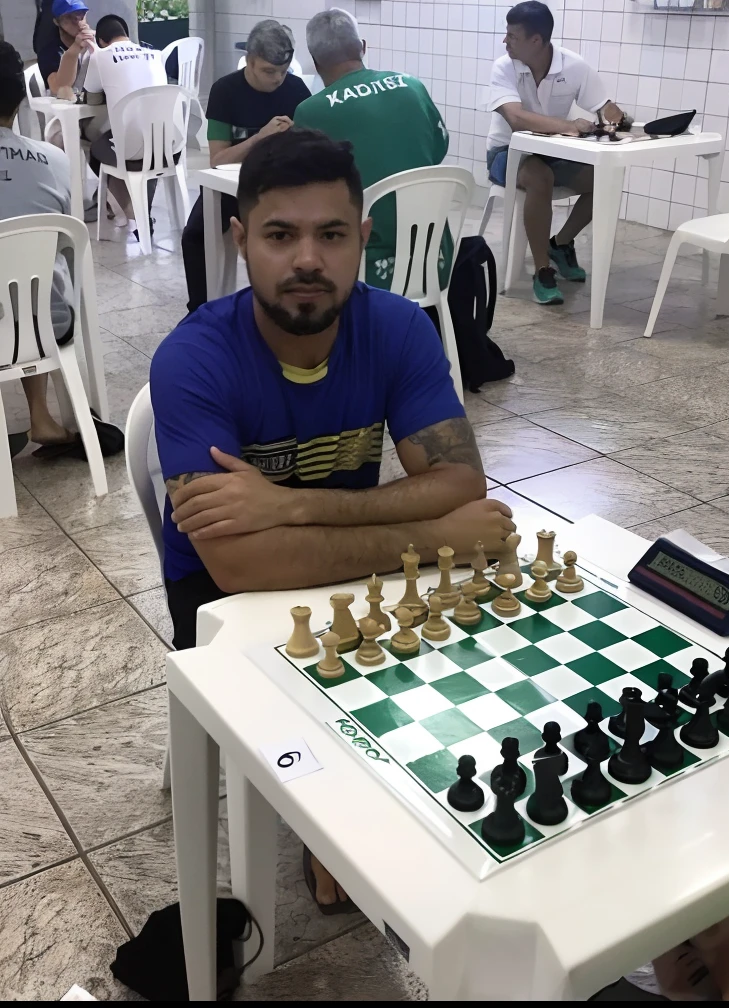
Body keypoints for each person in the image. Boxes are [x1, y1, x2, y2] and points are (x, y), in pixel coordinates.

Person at [152, 127, 513, 909]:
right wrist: (431, 538)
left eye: (331, 234)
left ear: (364, 240)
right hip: (222, 602)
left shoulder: (400, 328)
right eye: (281, 235)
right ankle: (331, 818)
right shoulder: (192, 358)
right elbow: (240, 567)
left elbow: (461, 479)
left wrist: (287, 505)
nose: (307, 259)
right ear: (241, 238)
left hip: (339, 561)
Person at [294, 8, 450, 290]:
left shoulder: (310, 112)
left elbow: (305, 189)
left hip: (364, 266)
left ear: (315, 63)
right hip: (435, 256)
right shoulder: (412, 86)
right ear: (363, 47)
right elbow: (438, 149)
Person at [487, 1, 624, 305]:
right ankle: (542, 270)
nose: (505, 41)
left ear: (536, 41)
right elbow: (516, 118)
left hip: (552, 153)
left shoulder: (573, 66)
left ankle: (560, 244)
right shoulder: (504, 67)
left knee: (603, 178)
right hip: (506, 153)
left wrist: (614, 118)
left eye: (512, 36)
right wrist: (569, 125)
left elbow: (606, 106)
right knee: (539, 176)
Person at [180, 20, 310, 312]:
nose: (277, 78)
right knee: (194, 236)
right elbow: (218, 159)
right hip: (231, 188)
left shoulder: (296, 90)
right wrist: (261, 138)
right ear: (249, 61)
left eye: (283, 71)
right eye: (268, 71)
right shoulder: (225, 91)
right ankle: (200, 311)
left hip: (281, 188)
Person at [0, 40, 80, 449]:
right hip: (50, 323)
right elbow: (69, 246)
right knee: (29, 281)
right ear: (19, 101)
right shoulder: (55, 160)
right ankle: (41, 416)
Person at [83, 14, 173, 239]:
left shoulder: (100, 56)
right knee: (136, 145)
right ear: (127, 36)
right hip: (168, 144)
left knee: (96, 148)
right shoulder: (155, 54)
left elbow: (92, 100)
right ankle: (141, 210)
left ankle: (134, 213)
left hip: (131, 149)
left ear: (101, 41)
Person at [36, 0, 96, 98]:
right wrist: (75, 49)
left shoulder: (95, 41)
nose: (77, 21)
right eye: (69, 17)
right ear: (56, 22)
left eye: (81, 14)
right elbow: (58, 88)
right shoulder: (50, 51)